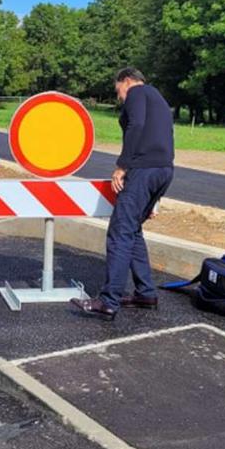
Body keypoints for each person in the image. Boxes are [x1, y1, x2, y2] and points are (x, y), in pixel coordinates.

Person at [71, 67, 174, 320]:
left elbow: (136, 125)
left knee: (119, 232)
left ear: (126, 81)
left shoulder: (137, 93)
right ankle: (146, 293)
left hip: (142, 170)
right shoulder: (158, 98)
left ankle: (108, 301)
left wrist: (122, 165)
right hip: (164, 169)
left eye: (118, 91)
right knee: (132, 229)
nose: (119, 97)